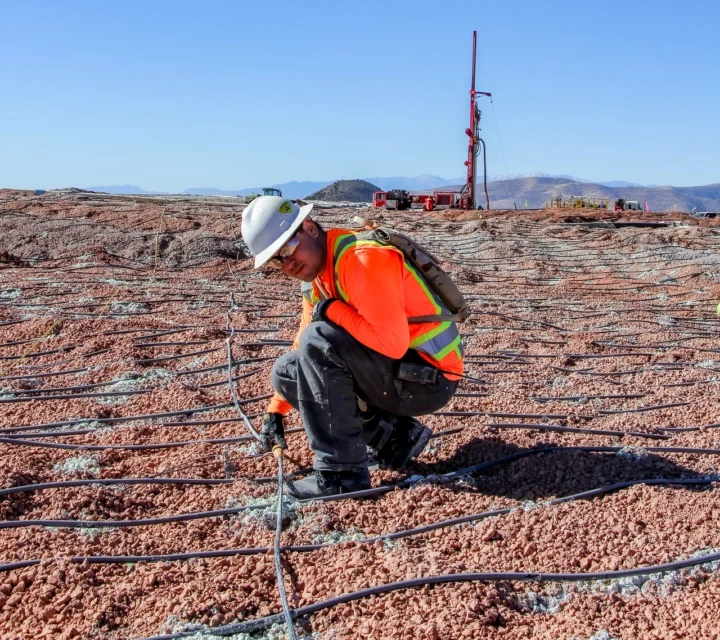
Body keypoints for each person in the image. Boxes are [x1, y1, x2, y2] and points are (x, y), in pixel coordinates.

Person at [240, 196, 464, 498]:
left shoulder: (361, 259)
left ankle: (341, 475)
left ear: (309, 227)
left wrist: (331, 309)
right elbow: (302, 347)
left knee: (319, 341)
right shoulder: (316, 277)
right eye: (277, 259)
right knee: (287, 371)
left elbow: (392, 344)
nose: (288, 264)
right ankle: (395, 437)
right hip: (401, 373)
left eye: (289, 248)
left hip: (430, 377)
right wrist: (275, 410)